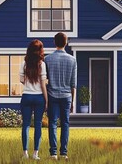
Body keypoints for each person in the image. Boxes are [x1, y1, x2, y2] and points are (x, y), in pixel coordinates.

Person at [45, 32, 76, 161]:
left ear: (54, 42)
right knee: (65, 124)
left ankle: (53, 153)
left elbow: (45, 81)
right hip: (66, 96)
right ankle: (63, 153)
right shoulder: (72, 59)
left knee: (52, 123)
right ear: (66, 42)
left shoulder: (47, 59)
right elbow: (73, 83)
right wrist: (73, 101)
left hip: (52, 95)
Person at [20, 39, 48, 160]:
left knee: (25, 125)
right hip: (39, 97)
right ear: (40, 51)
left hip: (26, 96)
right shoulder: (42, 64)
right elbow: (43, 84)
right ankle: (35, 153)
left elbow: (22, 80)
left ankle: (25, 153)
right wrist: (46, 100)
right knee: (37, 125)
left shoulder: (24, 63)